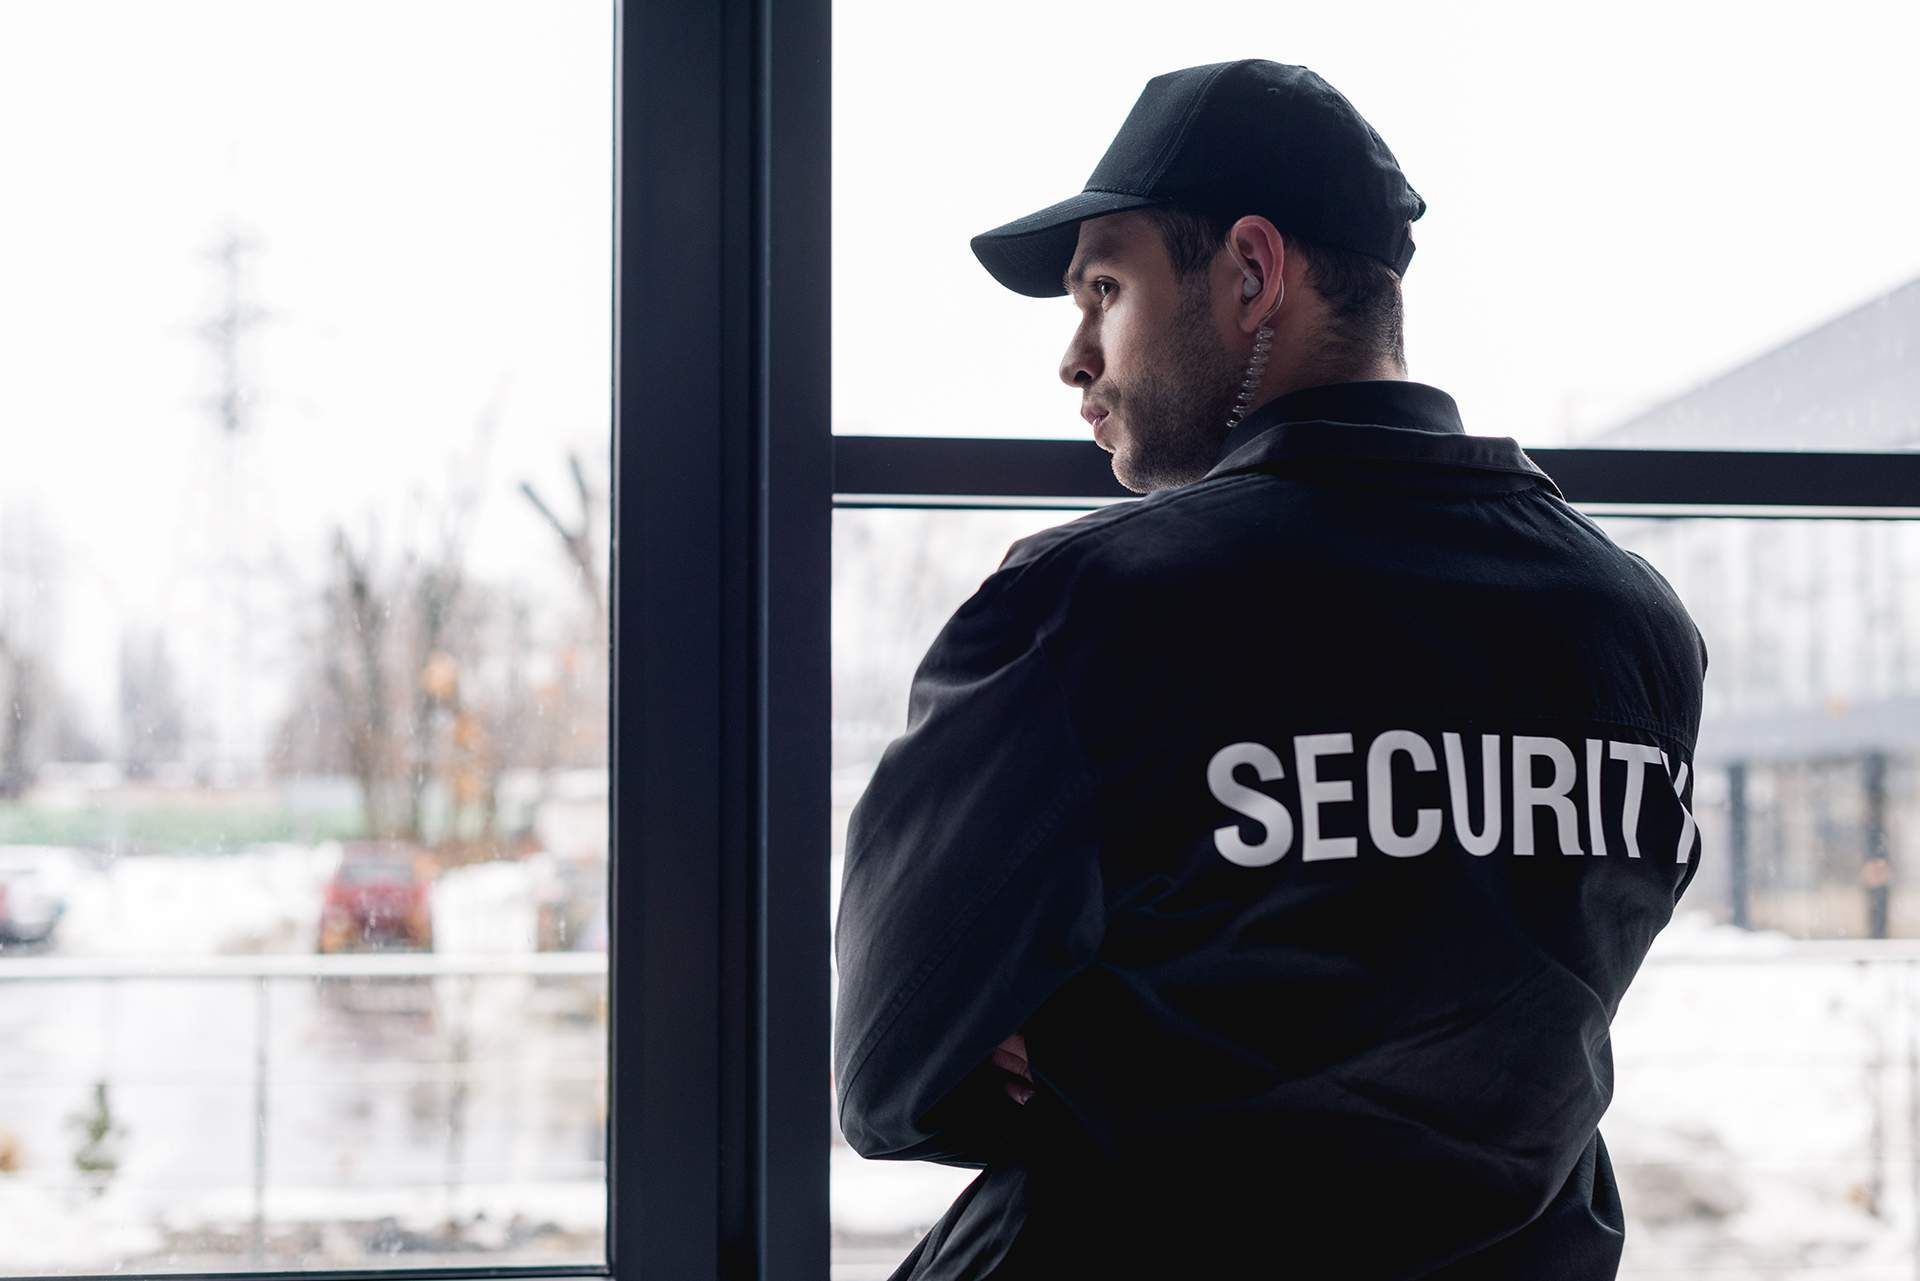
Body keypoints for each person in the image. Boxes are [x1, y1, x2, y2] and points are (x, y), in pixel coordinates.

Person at [833, 58, 1708, 1280]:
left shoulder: (1087, 611)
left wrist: (1100, 1051)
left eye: (1103, 288)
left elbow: (890, 1080)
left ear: (1251, 273)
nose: (1076, 358)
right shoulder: (1635, 627)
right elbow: (1509, 1033)